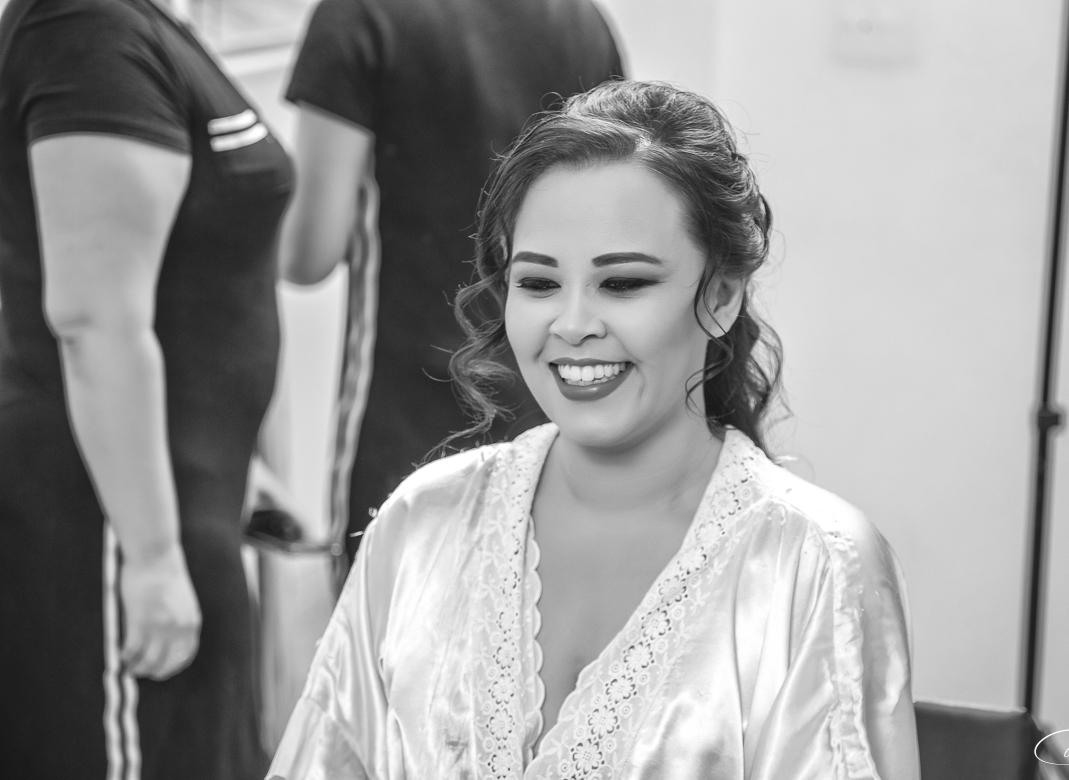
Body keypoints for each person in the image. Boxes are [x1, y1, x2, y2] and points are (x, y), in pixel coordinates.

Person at [267, 80, 920, 779]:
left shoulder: (814, 562)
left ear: (723, 295)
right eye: (539, 284)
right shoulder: (422, 524)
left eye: (623, 283)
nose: (572, 324)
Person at [0, 0, 292, 776]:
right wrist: (152, 556)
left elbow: (196, 284)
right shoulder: (83, 28)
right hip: (105, 520)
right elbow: (95, 319)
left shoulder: (144, 22)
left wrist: (235, 457)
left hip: (184, 495)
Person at [279, 0, 624, 577]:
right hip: (555, 409)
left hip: (408, 420)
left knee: (387, 624)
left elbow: (307, 253)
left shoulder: (361, 15)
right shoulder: (582, 20)